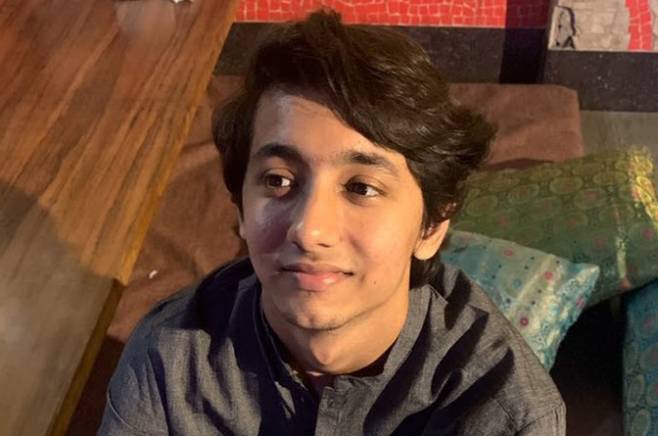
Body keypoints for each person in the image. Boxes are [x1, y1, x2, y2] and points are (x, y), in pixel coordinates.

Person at [98, 9, 565, 435]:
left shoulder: (504, 413)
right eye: (278, 180)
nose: (308, 230)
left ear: (432, 226)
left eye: (361, 187)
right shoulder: (169, 364)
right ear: (240, 208)